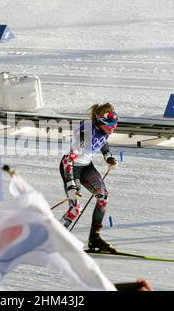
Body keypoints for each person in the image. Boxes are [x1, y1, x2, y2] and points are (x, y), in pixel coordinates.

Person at [59, 103, 119, 251]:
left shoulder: (103, 129)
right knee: (75, 209)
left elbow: (103, 143)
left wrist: (108, 157)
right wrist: (71, 185)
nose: (113, 128)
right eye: (110, 125)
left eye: (115, 124)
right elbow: (68, 160)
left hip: (86, 166)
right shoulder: (84, 135)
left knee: (103, 197)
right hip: (71, 169)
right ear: (100, 122)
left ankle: (94, 239)